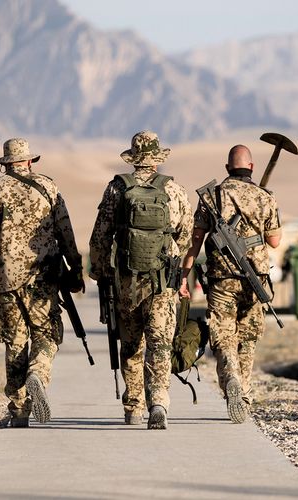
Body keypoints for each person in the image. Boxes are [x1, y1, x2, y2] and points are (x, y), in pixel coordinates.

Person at [0, 138, 83, 428]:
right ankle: (37, 372)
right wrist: (76, 269)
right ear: (30, 162)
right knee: (46, 335)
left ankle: (20, 408)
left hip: (6, 281)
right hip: (43, 278)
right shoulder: (48, 188)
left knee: (14, 342)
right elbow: (66, 233)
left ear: (5, 165)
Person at [89, 130, 193, 430]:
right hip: (163, 281)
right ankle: (158, 401)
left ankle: (133, 405)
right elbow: (184, 237)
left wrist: (100, 272)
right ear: (157, 160)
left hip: (127, 280)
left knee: (132, 343)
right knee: (160, 342)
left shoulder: (116, 189)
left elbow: (100, 237)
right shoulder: (174, 190)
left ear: (133, 159)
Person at [180, 144, 282, 423]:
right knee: (247, 339)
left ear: (227, 169)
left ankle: (232, 379)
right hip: (255, 280)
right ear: (251, 167)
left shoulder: (212, 196)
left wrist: (183, 277)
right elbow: (275, 241)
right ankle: (244, 394)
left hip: (222, 279)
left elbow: (195, 241)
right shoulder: (265, 197)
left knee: (224, 338)